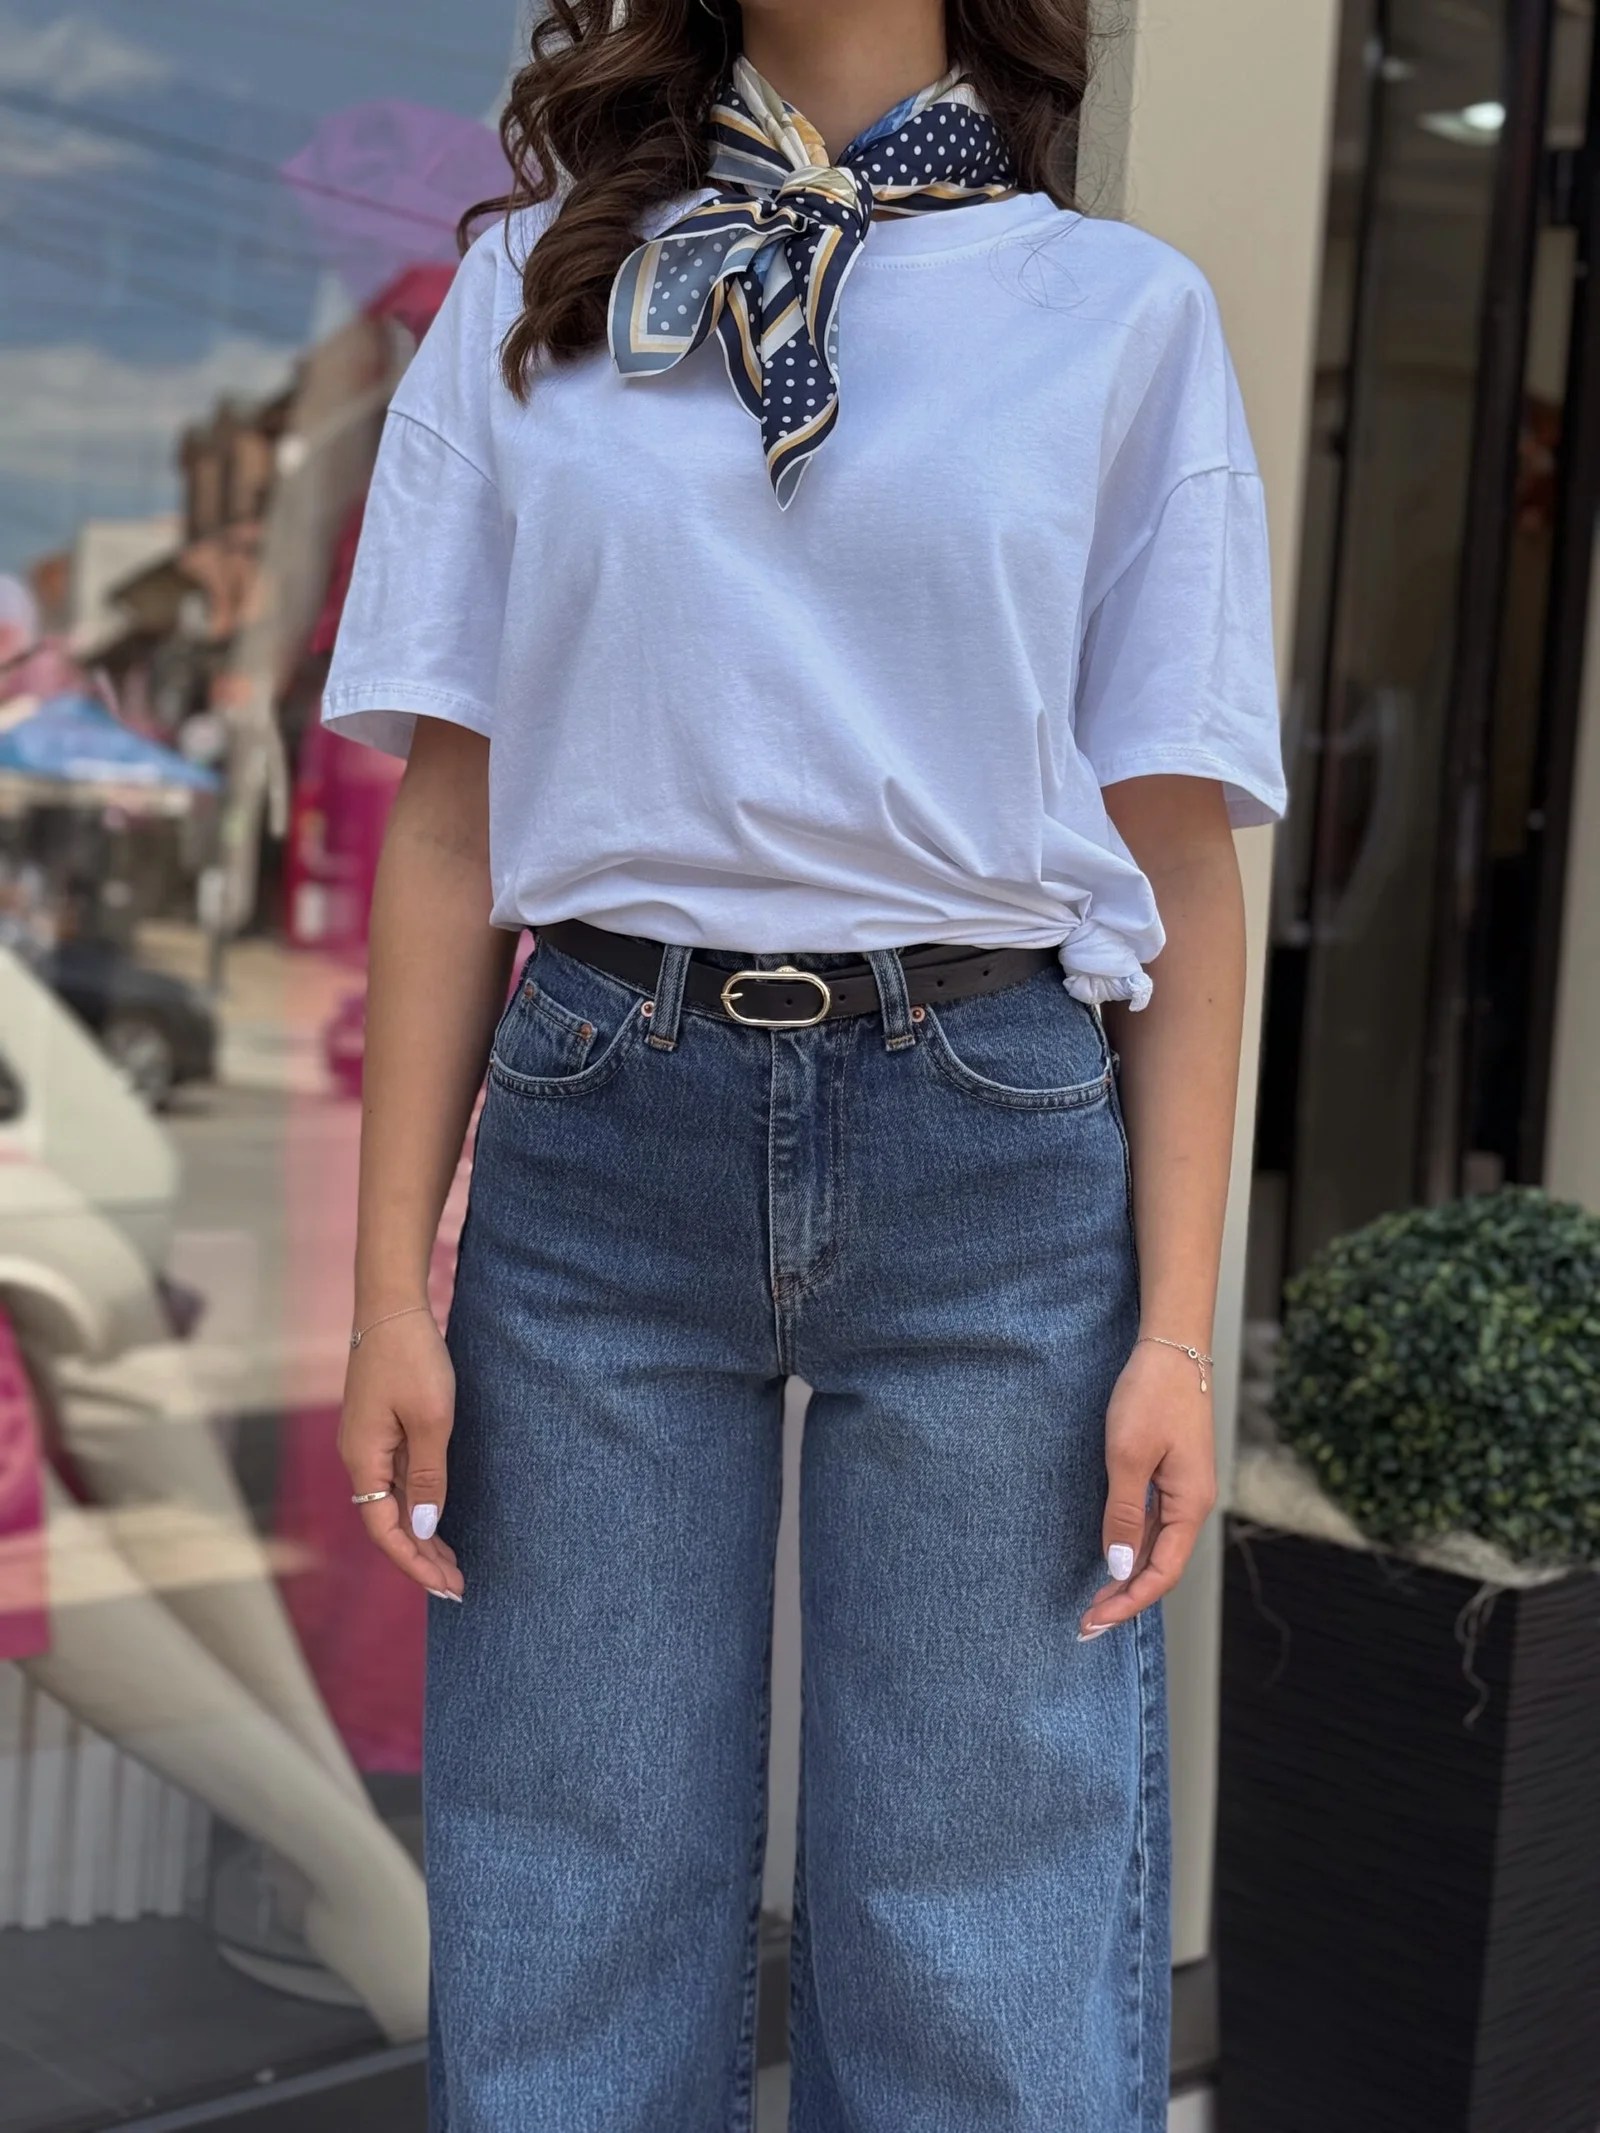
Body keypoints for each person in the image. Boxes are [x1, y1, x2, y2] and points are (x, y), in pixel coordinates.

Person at [321, 0, 1288, 2125]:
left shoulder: (1117, 314)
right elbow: (453, 824)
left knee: (981, 1939)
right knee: (566, 1909)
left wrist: (1176, 1333)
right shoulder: (537, 283)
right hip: (598, 1126)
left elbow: (1180, 864)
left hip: (992, 1134)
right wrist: (390, 1289)